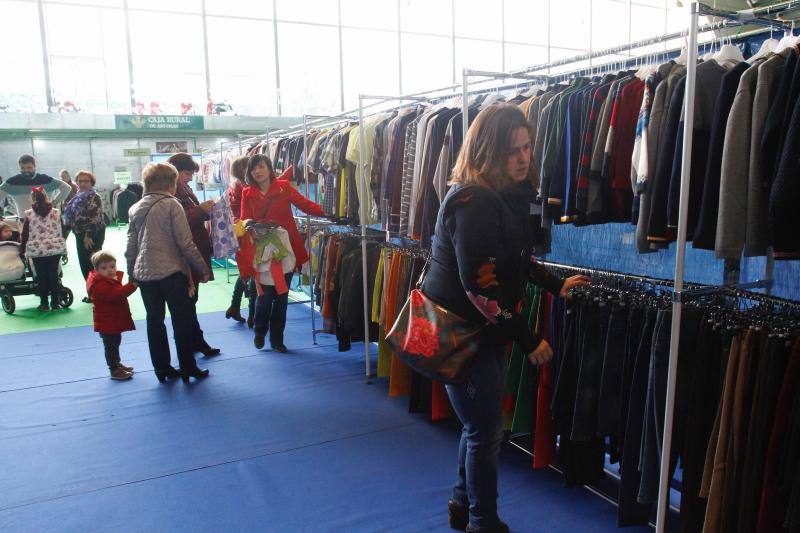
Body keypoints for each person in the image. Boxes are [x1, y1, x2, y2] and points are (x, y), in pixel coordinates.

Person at [421, 104, 589, 533]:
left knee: (479, 426)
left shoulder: (504, 197)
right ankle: (482, 521)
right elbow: (481, 288)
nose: (522, 157)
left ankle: (463, 506)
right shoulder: (474, 201)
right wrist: (529, 339)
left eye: (527, 147)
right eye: (511, 150)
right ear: (486, 151)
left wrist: (556, 285)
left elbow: (517, 259)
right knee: (485, 431)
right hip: (465, 331)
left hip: (478, 332)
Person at [125, 162, 211, 384]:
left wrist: (131, 273)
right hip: (171, 272)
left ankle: (162, 369)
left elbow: (131, 247)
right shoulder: (172, 205)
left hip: (145, 275)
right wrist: (202, 268)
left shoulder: (135, 208)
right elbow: (185, 243)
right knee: (181, 321)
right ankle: (188, 368)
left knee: (155, 322)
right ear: (171, 184)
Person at [241, 155, 322, 352]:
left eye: (261, 167)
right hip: (262, 250)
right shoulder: (247, 192)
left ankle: (277, 339)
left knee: (282, 296)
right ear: (250, 173)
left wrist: (331, 213)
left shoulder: (284, 187)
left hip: (285, 249)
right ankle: (260, 331)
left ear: (269, 168)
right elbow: (243, 219)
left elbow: (305, 205)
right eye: (254, 169)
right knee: (265, 295)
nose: (258, 171)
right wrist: (249, 225)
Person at [166, 152, 220, 357]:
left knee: (191, 301)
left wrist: (205, 210)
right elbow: (177, 222)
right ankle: (191, 345)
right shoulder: (170, 193)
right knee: (186, 303)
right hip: (184, 255)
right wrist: (201, 210)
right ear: (175, 172)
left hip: (194, 250)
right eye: (187, 173)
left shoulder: (183, 189)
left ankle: (195, 342)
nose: (190, 177)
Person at [86, 251, 137, 381]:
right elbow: (115, 295)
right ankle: (113, 369)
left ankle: (117, 364)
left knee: (115, 342)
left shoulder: (108, 280)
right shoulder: (99, 284)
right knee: (110, 346)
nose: (109, 270)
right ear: (96, 269)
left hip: (112, 320)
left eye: (112, 266)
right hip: (106, 322)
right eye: (104, 268)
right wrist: (132, 286)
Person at [20, 187, 67, 312]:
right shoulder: (56, 212)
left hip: (36, 250)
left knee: (41, 276)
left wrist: (22, 249)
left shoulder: (29, 214)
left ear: (33, 198)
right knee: (53, 274)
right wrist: (61, 243)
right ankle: (56, 302)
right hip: (55, 248)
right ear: (46, 197)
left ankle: (44, 303)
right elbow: (63, 229)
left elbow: (24, 235)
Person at [64, 170, 106, 302]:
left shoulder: (94, 197)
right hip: (80, 233)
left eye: (86, 181)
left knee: (91, 264)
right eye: (80, 181)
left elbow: (94, 218)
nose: (82, 183)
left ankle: (97, 294)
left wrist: (88, 235)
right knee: (85, 265)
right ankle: (92, 293)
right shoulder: (77, 197)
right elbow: (72, 218)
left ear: (92, 182)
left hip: (92, 233)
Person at [225, 155, 255, 325]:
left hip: (238, 231)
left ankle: (235, 306)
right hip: (246, 231)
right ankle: (252, 313)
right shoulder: (244, 188)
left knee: (246, 271)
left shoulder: (234, 185)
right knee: (252, 271)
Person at [0, 154, 72, 216]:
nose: (26, 171)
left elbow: (67, 188)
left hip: (46, 219)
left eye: (29, 167)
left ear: (35, 166)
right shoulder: (11, 182)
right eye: (22, 168)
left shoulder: (46, 179)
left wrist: (53, 203)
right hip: (24, 220)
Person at [58, 169, 78, 239]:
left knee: (73, 231)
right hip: (65, 213)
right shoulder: (62, 186)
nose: (62, 178)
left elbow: (74, 199)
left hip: (72, 213)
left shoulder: (73, 186)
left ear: (69, 177)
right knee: (64, 232)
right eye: (61, 177)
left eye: (64, 176)